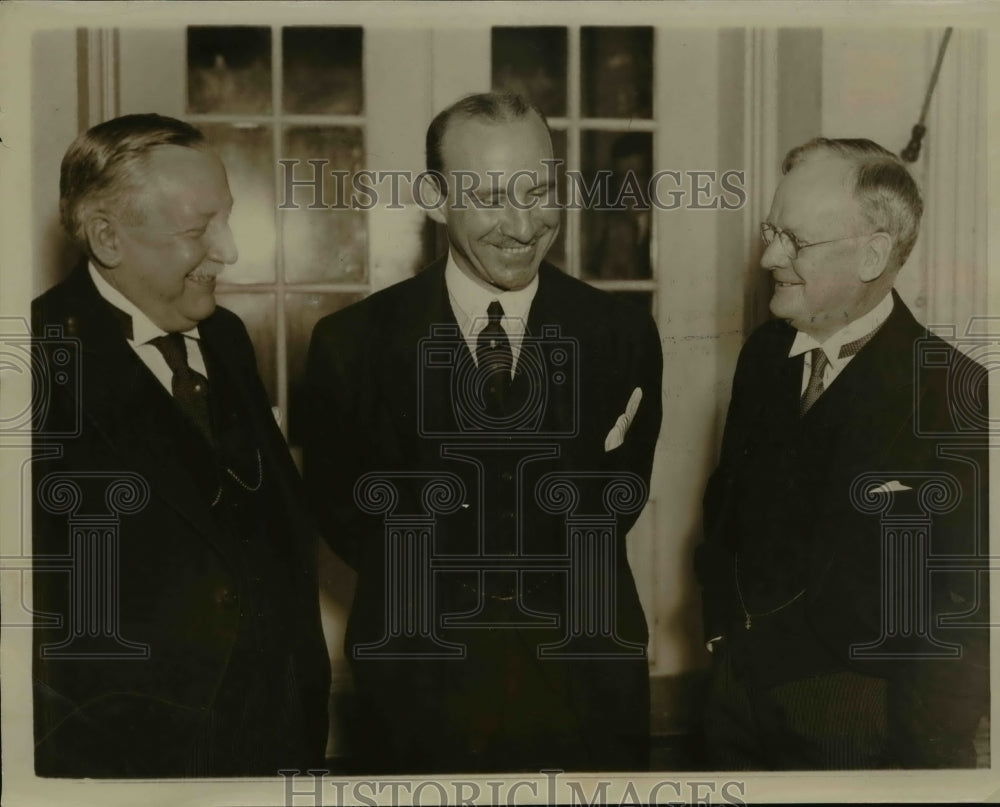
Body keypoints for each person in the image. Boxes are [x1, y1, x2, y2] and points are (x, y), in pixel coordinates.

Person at [302, 91, 662, 773]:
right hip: (415, 679)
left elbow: (621, 498)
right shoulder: (350, 344)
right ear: (435, 199)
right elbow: (343, 514)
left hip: (585, 677)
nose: (524, 224)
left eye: (540, 190)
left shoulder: (620, 335)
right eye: (492, 196)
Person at [31, 114, 331, 777]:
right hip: (131, 767)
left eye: (225, 219)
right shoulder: (31, 361)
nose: (228, 250)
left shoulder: (224, 337)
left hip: (271, 747)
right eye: (198, 230)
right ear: (107, 236)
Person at [696, 137, 989, 769]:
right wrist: (719, 632)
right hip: (734, 695)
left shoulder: (951, 391)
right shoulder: (763, 356)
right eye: (772, 230)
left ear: (873, 254)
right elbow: (726, 503)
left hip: (860, 716)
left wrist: (928, 761)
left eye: (795, 240)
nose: (771, 256)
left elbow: (962, 609)